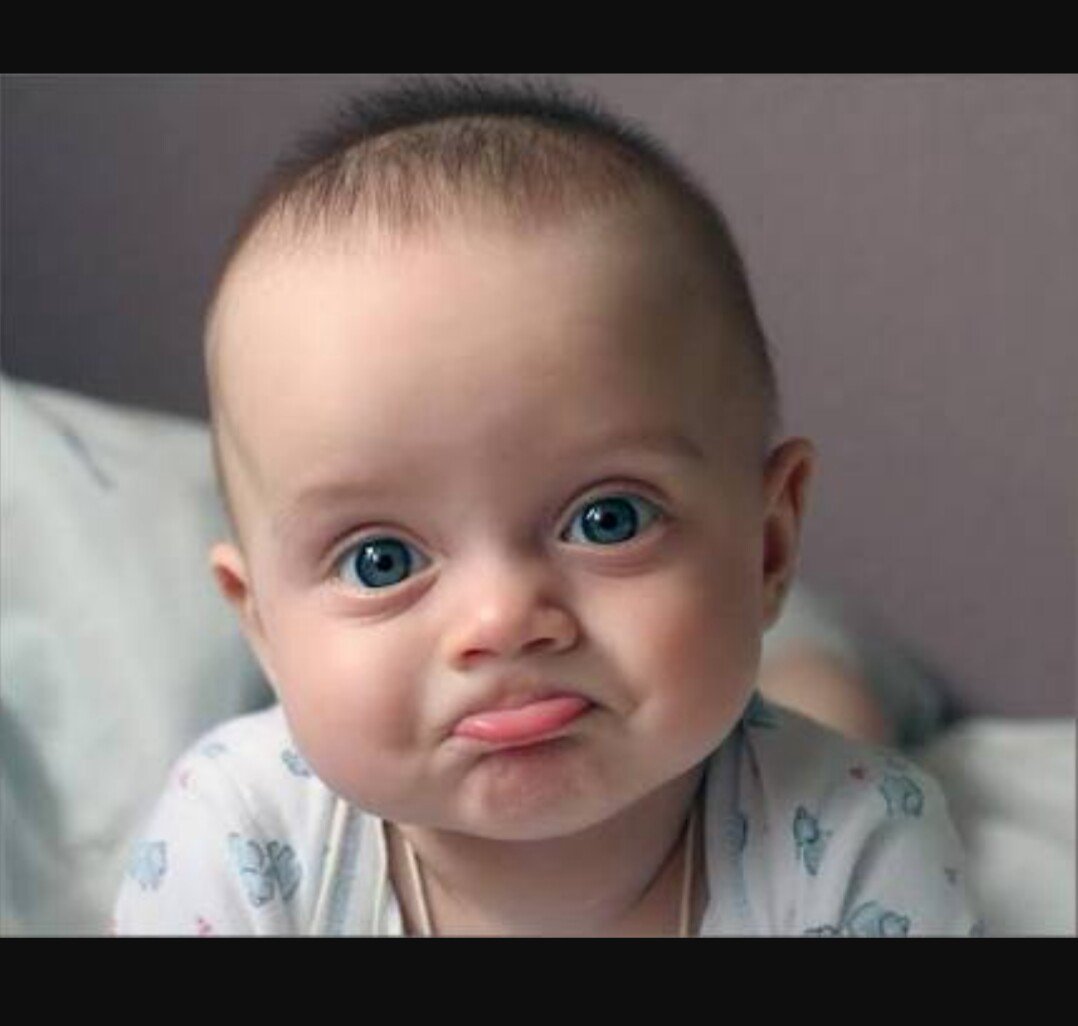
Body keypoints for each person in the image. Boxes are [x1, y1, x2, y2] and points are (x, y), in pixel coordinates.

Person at [112, 75, 978, 936]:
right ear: (260, 623)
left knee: (829, 714)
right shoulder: (235, 839)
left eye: (608, 519)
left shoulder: (858, 841)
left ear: (770, 546)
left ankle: (832, 674)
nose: (502, 621)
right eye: (382, 561)